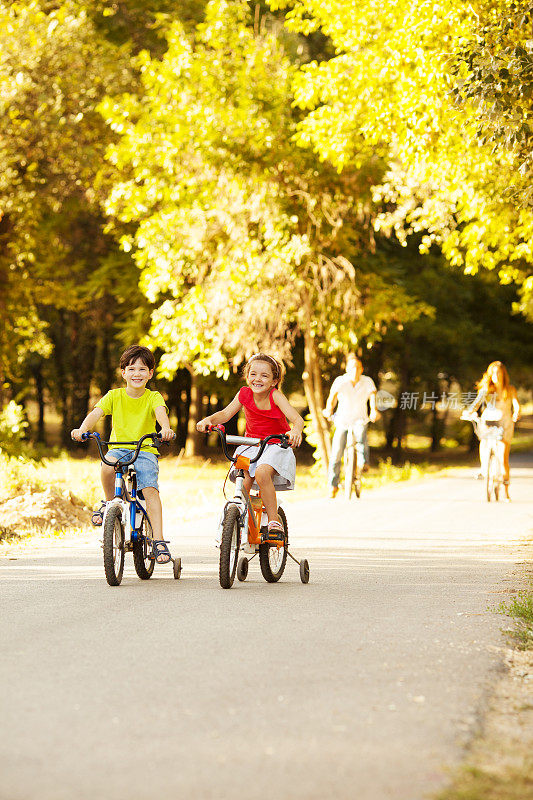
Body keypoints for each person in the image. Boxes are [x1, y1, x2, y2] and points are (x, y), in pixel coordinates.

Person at [71, 344, 175, 563]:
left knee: (150, 491)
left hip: (144, 449)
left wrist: (164, 429)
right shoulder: (114, 396)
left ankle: (159, 540)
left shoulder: (153, 397)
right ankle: (109, 502)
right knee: (107, 465)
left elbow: (160, 414)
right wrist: (82, 430)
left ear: (150, 373)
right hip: (119, 447)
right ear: (123, 373)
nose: (136, 373)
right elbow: (95, 413)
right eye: (131, 369)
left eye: (142, 369)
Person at [196, 353, 304, 536]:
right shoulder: (244, 393)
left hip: (275, 445)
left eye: (264, 376)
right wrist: (209, 419)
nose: (257, 379)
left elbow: (297, 419)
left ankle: (273, 522)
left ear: (274, 380)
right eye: (253, 374)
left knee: (262, 473)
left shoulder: (275, 396)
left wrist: (294, 431)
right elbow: (224, 414)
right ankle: (239, 519)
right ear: (247, 376)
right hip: (252, 443)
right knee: (243, 478)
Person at [323, 354, 377, 498]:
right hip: (342, 420)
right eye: (352, 367)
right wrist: (329, 409)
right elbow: (332, 398)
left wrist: (374, 410)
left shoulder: (367, 381)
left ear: (361, 369)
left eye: (357, 367)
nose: (355, 370)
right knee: (336, 453)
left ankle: (363, 463)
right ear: (347, 369)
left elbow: (372, 397)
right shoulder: (341, 381)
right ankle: (333, 485)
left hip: (360, 419)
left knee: (360, 437)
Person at [465, 360, 520, 500]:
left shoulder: (510, 390)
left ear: (503, 375)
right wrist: (469, 412)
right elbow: (475, 404)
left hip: (505, 424)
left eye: (499, 373)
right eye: (494, 373)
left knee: (503, 458)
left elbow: (516, 405)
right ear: (490, 375)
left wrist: (516, 413)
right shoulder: (486, 390)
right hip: (489, 422)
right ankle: (484, 469)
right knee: (483, 444)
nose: (496, 376)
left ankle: (506, 492)